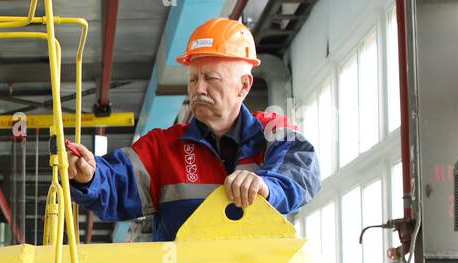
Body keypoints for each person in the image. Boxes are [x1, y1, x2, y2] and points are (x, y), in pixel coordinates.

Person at [67, 17, 321, 241]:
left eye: (210, 78)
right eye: (193, 79)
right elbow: (115, 182)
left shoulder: (272, 131)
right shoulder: (162, 148)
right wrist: (91, 175)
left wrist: (266, 185)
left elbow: (302, 167)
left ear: (244, 86)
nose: (198, 89)